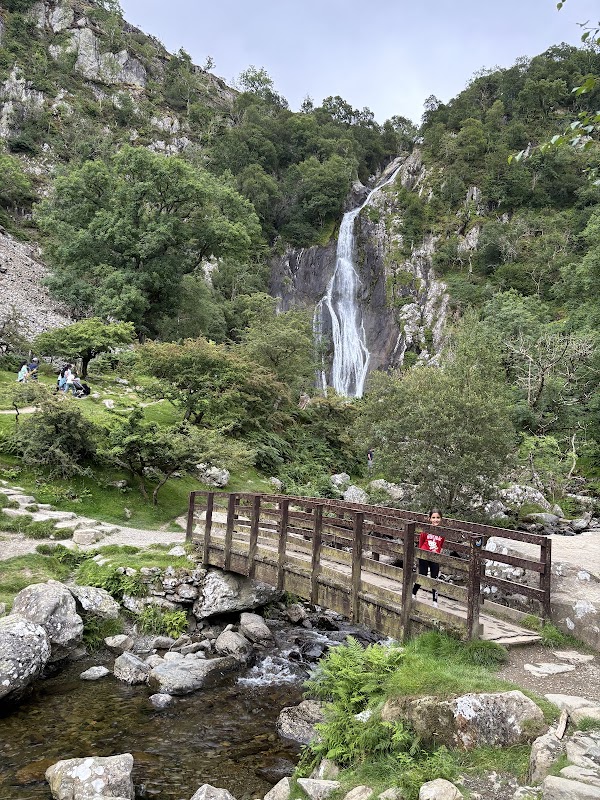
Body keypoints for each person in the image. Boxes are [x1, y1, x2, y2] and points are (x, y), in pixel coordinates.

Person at [412, 508, 445, 607]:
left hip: (435, 557)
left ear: (441, 519)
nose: (436, 520)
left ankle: (435, 601)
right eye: (433, 517)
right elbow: (421, 543)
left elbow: (441, 545)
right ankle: (413, 593)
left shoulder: (443, 532)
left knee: (435, 578)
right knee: (423, 575)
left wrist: (438, 555)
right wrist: (420, 555)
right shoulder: (426, 531)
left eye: (438, 518)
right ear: (430, 519)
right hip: (424, 556)